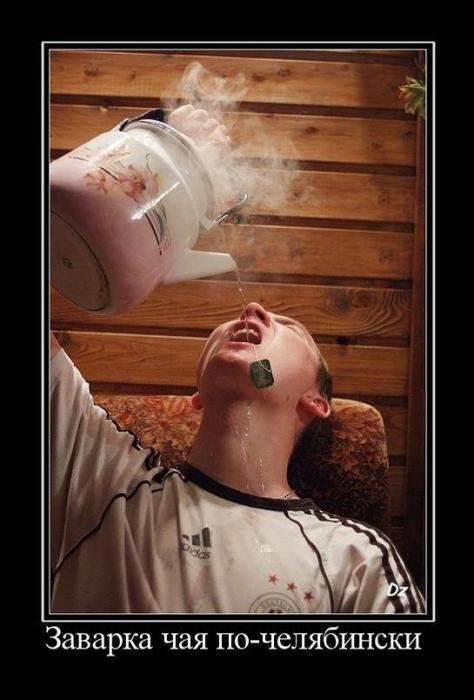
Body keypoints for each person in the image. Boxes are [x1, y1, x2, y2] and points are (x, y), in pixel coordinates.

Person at [50, 106, 425, 615]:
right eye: (241, 318)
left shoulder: (356, 560)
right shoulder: (100, 474)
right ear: (198, 393)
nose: (253, 310)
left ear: (316, 401)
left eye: (289, 327)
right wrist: (152, 147)